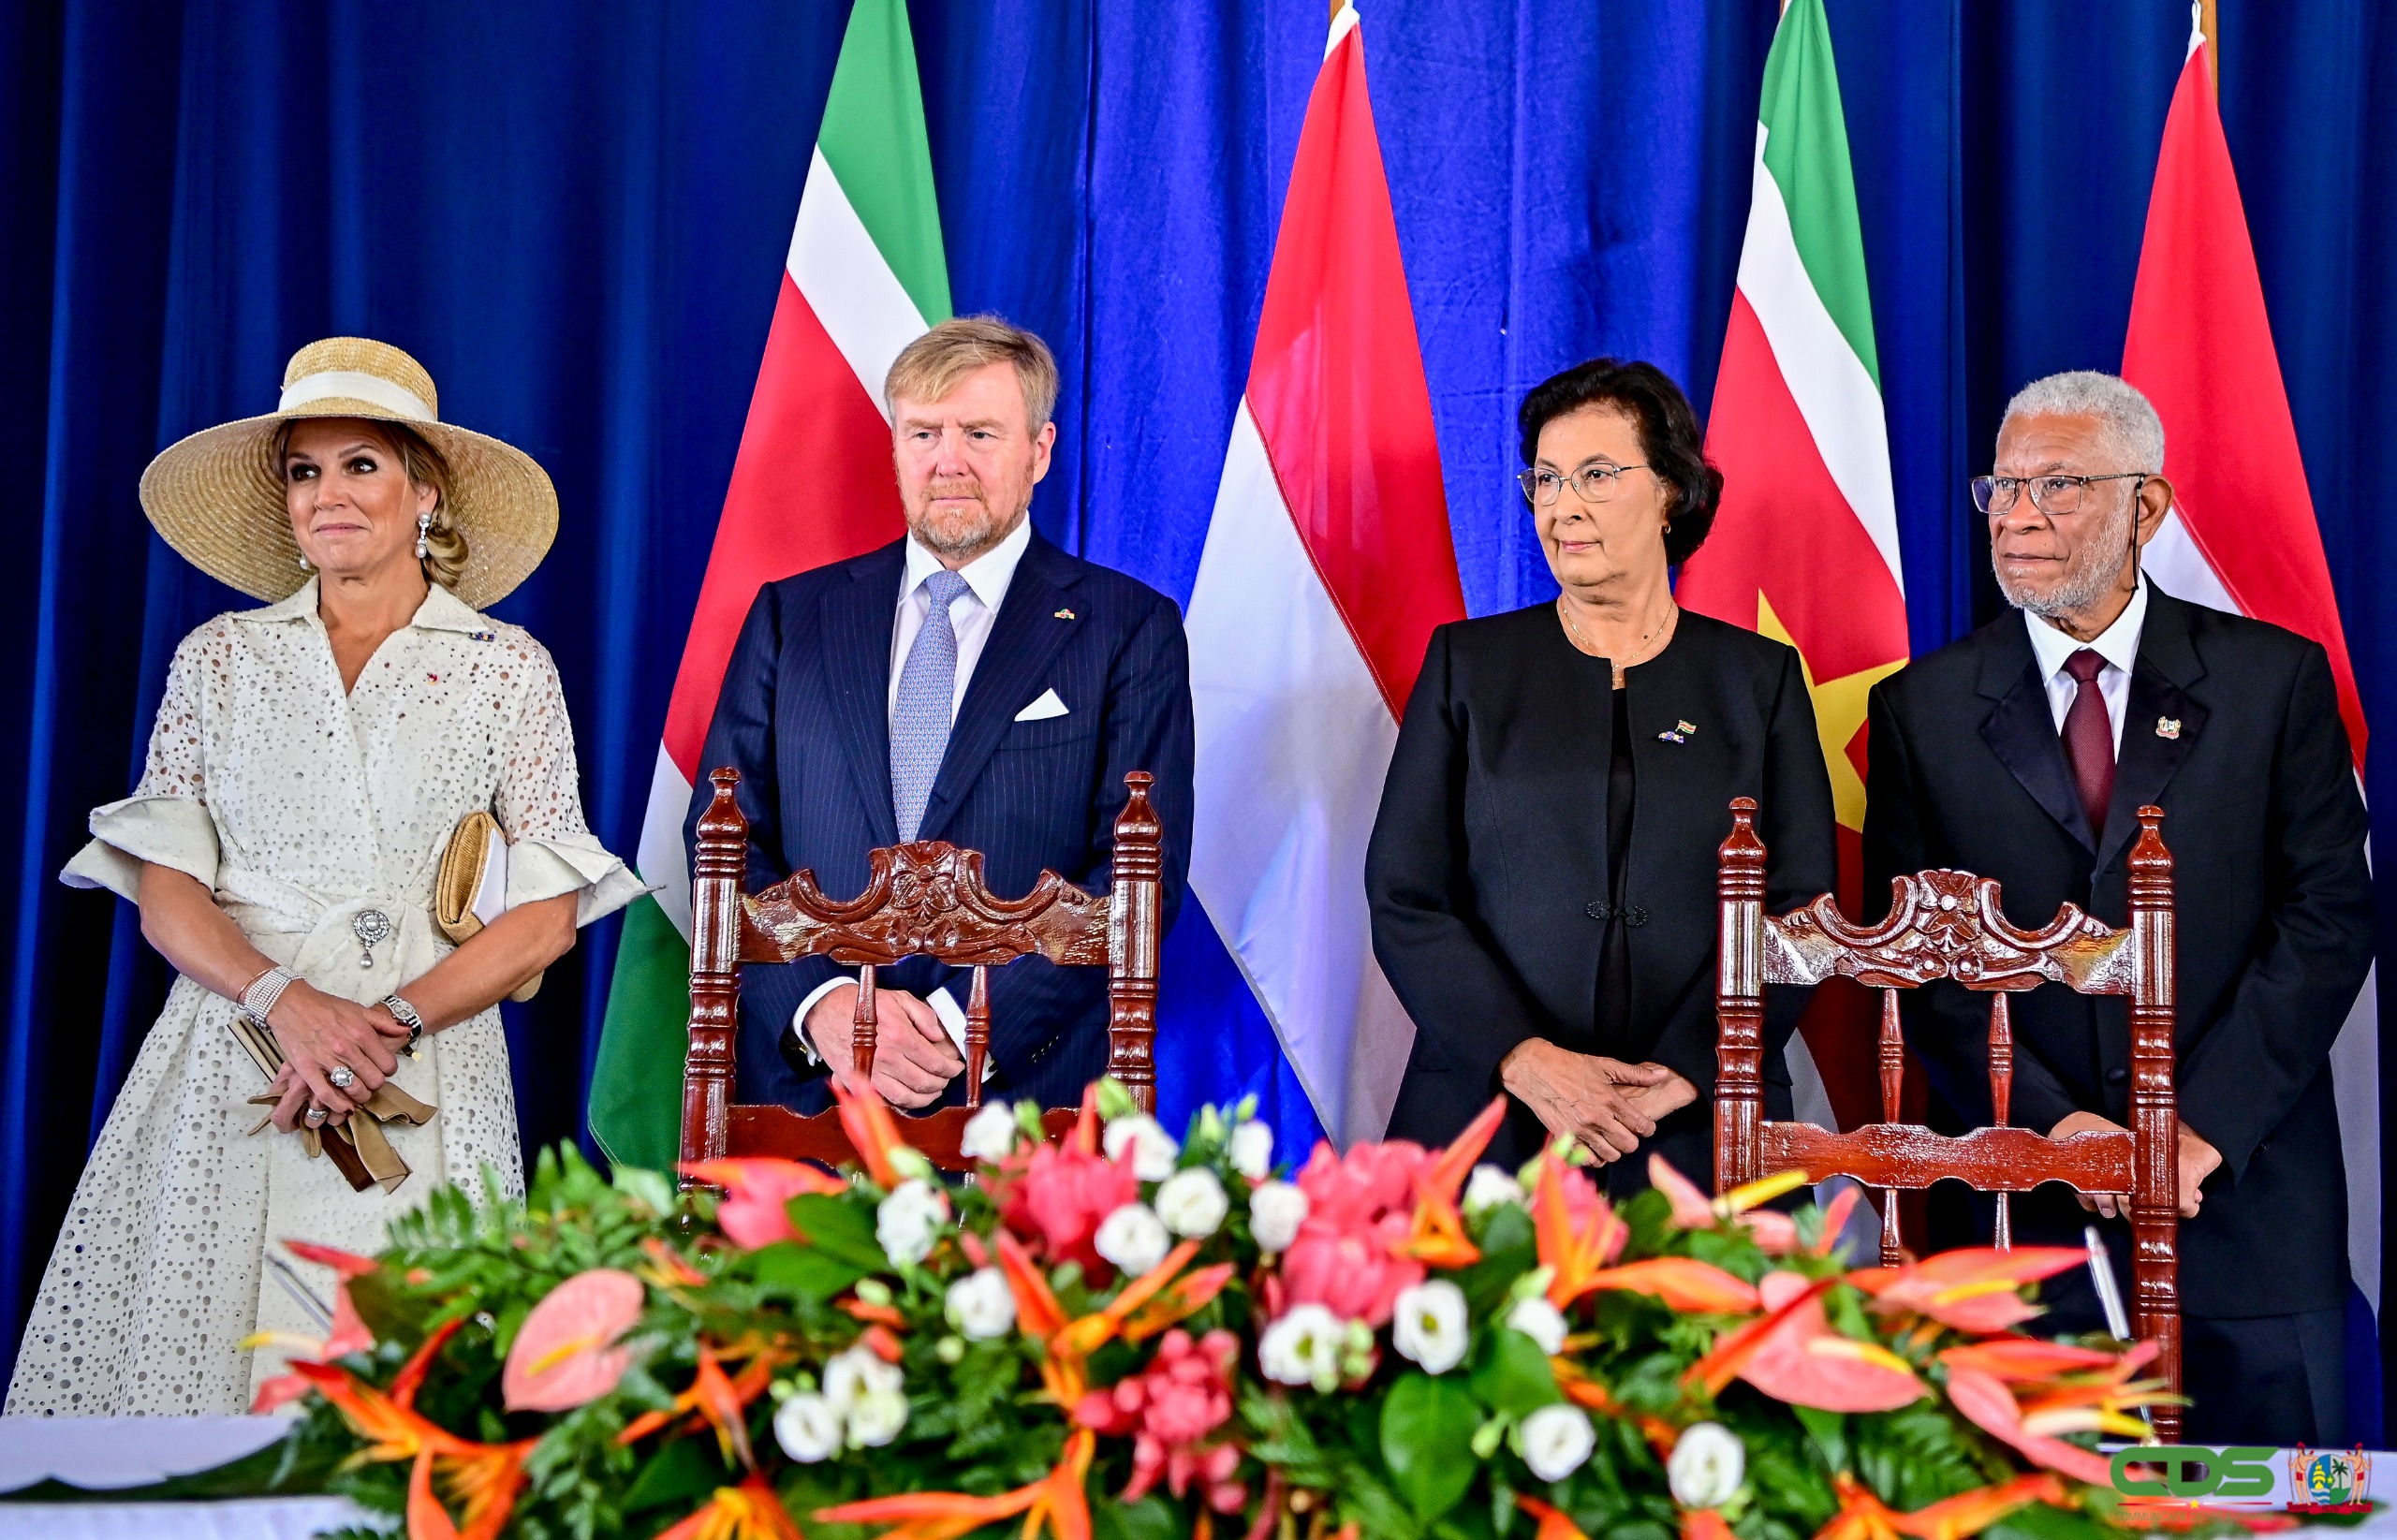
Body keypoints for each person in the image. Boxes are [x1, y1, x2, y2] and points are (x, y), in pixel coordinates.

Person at [5, 339, 641, 1415]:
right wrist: (285, 1004)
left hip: (427, 1068)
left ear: (425, 493)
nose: (326, 494)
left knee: (405, 1407)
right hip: (234, 1055)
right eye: (304, 470)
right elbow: (166, 893)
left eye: (360, 465)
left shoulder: (508, 668)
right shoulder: (219, 658)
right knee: (183, 1387)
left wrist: (383, 1024)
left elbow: (545, 920)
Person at [1863, 371, 2373, 1445]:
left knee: (2270, 1512)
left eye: (2057, 485)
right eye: (2000, 488)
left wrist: (2195, 1129)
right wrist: (2061, 1131)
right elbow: (1918, 962)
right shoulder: (1919, 709)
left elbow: (2327, 919)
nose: (2017, 517)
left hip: (2242, 1208)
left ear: (2146, 506)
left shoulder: (2274, 682)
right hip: (2022, 1224)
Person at [693, 315, 1193, 1115]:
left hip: (1026, 1110)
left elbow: (1137, 879)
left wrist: (964, 1028)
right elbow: (724, 842)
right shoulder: (791, 618)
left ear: (1040, 450)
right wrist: (822, 1006)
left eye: (980, 433)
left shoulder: (1128, 628)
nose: (948, 460)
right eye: (923, 432)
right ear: (895, 448)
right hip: (809, 1104)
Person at [1367, 359, 1836, 1182]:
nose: (1562, 506)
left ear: (1670, 493)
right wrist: (1523, 1057)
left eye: (1595, 474)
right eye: (1546, 479)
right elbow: (1406, 895)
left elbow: (1800, 907)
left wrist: (1688, 1066)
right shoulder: (1467, 667)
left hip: (1704, 1118)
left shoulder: (1758, 680)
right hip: (1494, 1118)